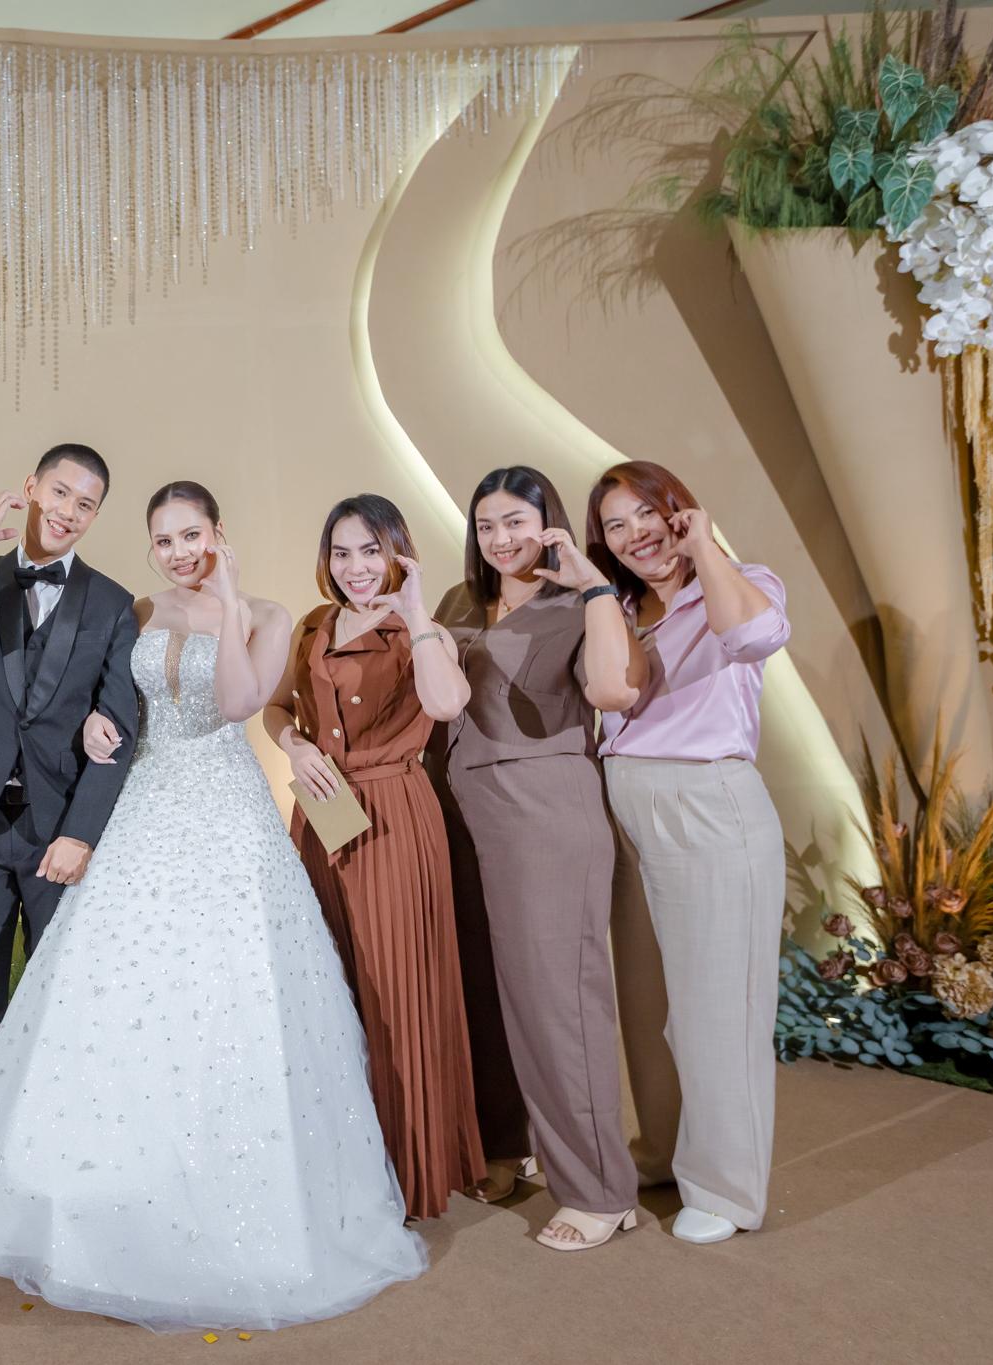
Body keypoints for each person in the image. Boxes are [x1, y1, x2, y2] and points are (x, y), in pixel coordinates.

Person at [0, 481, 427, 1332]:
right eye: (164, 539)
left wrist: (227, 602)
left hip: (225, 812)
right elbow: (110, 698)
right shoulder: (138, 607)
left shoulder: (267, 615)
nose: (179, 552)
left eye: (192, 535)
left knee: (228, 995)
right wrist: (96, 724)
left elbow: (238, 703)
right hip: (143, 805)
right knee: (119, 997)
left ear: (217, 533)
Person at [0, 442, 141, 1237]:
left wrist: (81, 833)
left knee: (57, 1009)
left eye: (86, 502)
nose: (69, 510)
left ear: (96, 514)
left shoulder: (113, 603)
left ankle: (48, 1182)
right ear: (31, 489)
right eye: (60, 492)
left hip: (57, 835)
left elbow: (122, 728)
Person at [434, 465, 645, 1253]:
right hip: (460, 807)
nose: (501, 538)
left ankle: (599, 1188)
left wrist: (594, 587)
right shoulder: (459, 602)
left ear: (547, 521)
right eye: (486, 525)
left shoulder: (581, 602)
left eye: (516, 521)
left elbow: (611, 690)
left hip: (542, 811)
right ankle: (512, 1146)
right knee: (489, 996)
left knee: (559, 1002)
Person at [262, 494, 488, 1221]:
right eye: (342, 552)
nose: (356, 567)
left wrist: (416, 611)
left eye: (370, 550)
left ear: (398, 553)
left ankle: (411, 1169)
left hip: (393, 814)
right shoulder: (313, 625)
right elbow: (276, 708)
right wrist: (295, 745)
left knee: (397, 992)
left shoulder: (421, 631)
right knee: (329, 987)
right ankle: (342, 1165)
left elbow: (446, 704)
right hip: (321, 814)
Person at [587, 460, 790, 1247]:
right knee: (648, 1004)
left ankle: (727, 1187)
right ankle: (665, 1147)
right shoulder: (619, 607)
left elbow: (755, 636)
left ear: (678, 510)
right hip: (628, 806)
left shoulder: (741, 583)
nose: (634, 534)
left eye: (646, 513)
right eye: (615, 525)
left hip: (708, 805)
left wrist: (705, 547)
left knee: (718, 1008)